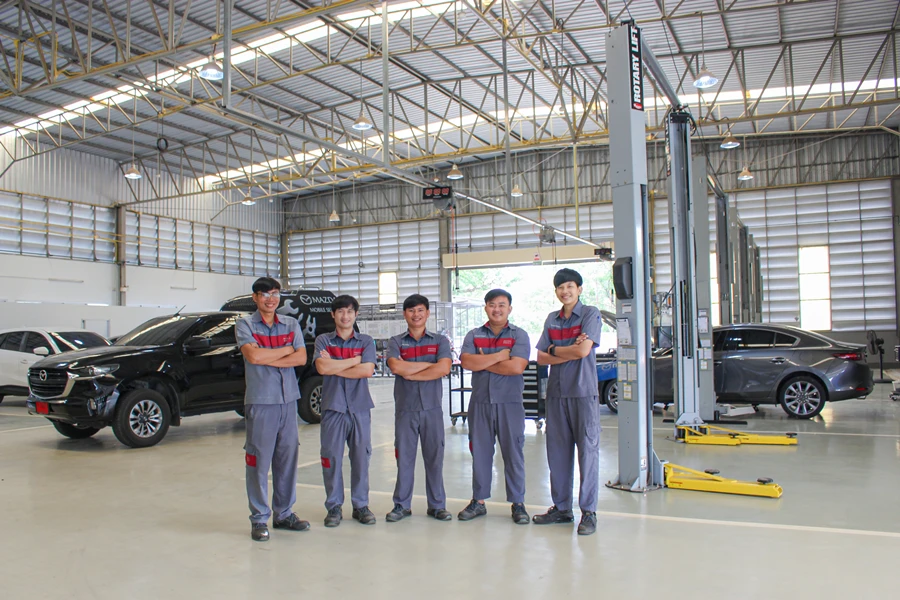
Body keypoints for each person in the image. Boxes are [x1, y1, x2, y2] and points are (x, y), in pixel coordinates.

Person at [236, 277, 311, 542]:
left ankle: (284, 514)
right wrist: (286, 349)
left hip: (288, 401)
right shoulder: (245, 324)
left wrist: (271, 355)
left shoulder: (291, 324)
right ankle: (259, 518)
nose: (271, 299)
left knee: (287, 459)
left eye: (275, 293)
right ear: (255, 297)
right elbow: (253, 356)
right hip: (261, 402)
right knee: (258, 461)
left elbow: (301, 358)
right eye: (265, 294)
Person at [533, 268, 603, 536]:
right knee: (558, 454)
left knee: (588, 453)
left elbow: (583, 350)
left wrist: (555, 349)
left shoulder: (590, 314)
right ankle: (562, 508)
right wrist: (565, 350)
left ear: (579, 289)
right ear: (556, 292)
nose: (565, 291)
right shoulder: (552, 319)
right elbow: (541, 357)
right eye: (561, 287)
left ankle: (589, 512)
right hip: (557, 394)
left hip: (583, 393)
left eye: (570, 286)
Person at [458, 289, 531, 524]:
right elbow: (466, 361)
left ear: (509, 308)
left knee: (513, 454)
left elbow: (516, 367)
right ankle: (478, 501)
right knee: (480, 453)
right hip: (480, 403)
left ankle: (518, 503)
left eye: (501, 305)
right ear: (485, 308)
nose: (496, 309)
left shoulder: (519, 335)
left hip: (510, 404)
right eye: (492, 305)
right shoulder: (474, 335)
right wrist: (500, 356)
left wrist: (482, 362)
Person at [385, 294, 454, 522]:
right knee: (404, 458)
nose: (416, 314)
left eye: (420, 310)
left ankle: (437, 505)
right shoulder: (396, 342)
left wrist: (411, 371)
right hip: (405, 409)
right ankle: (401, 505)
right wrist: (428, 366)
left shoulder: (440, 341)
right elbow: (396, 367)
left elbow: (443, 368)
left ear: (428, 313)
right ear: (405, 314)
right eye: (411, 310)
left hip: (432, 409)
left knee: (434, 458)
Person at [314, 294, 377, 527]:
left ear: (356, 314)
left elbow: (367, 371)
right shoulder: (323, 340)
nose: (345, 316)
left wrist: (335, 365)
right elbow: (322, 368)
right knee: (331, 458)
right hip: (333, 407)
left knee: (361, 458)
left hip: (360, 408)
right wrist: (354, 361)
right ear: (333, 314)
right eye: (340, 311)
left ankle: (361, 506)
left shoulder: (366, 341)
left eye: (350, 311)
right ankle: (334, 506)